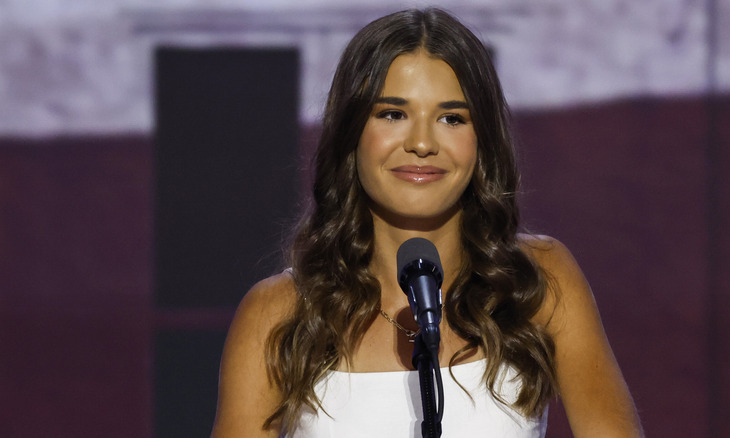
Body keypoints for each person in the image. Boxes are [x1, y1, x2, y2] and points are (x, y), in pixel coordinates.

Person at [211, 7, 643, 438]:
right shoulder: (278, 313)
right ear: (351, 132)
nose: (421, 143)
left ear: (482, 141)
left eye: (452, 118)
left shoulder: (537, 280)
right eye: (393, 114)